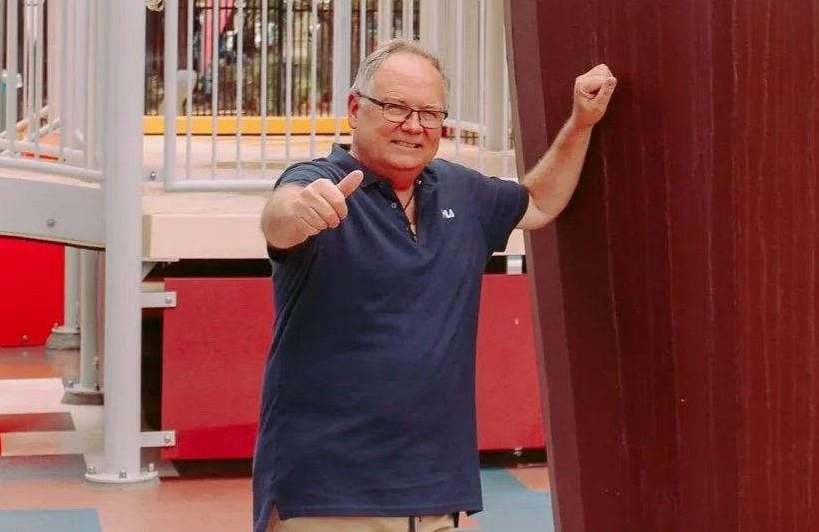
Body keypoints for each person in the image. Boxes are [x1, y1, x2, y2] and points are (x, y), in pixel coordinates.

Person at [251, 38, 617, 532]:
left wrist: (581, 123)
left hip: (436, 496)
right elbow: (281, 218)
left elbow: (539, 203)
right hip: (327, 494)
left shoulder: (463, 192)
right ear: (355, 108)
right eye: (396, 107)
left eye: (429, 113)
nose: (413, 125)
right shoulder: (320, 181)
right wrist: (303, 209)